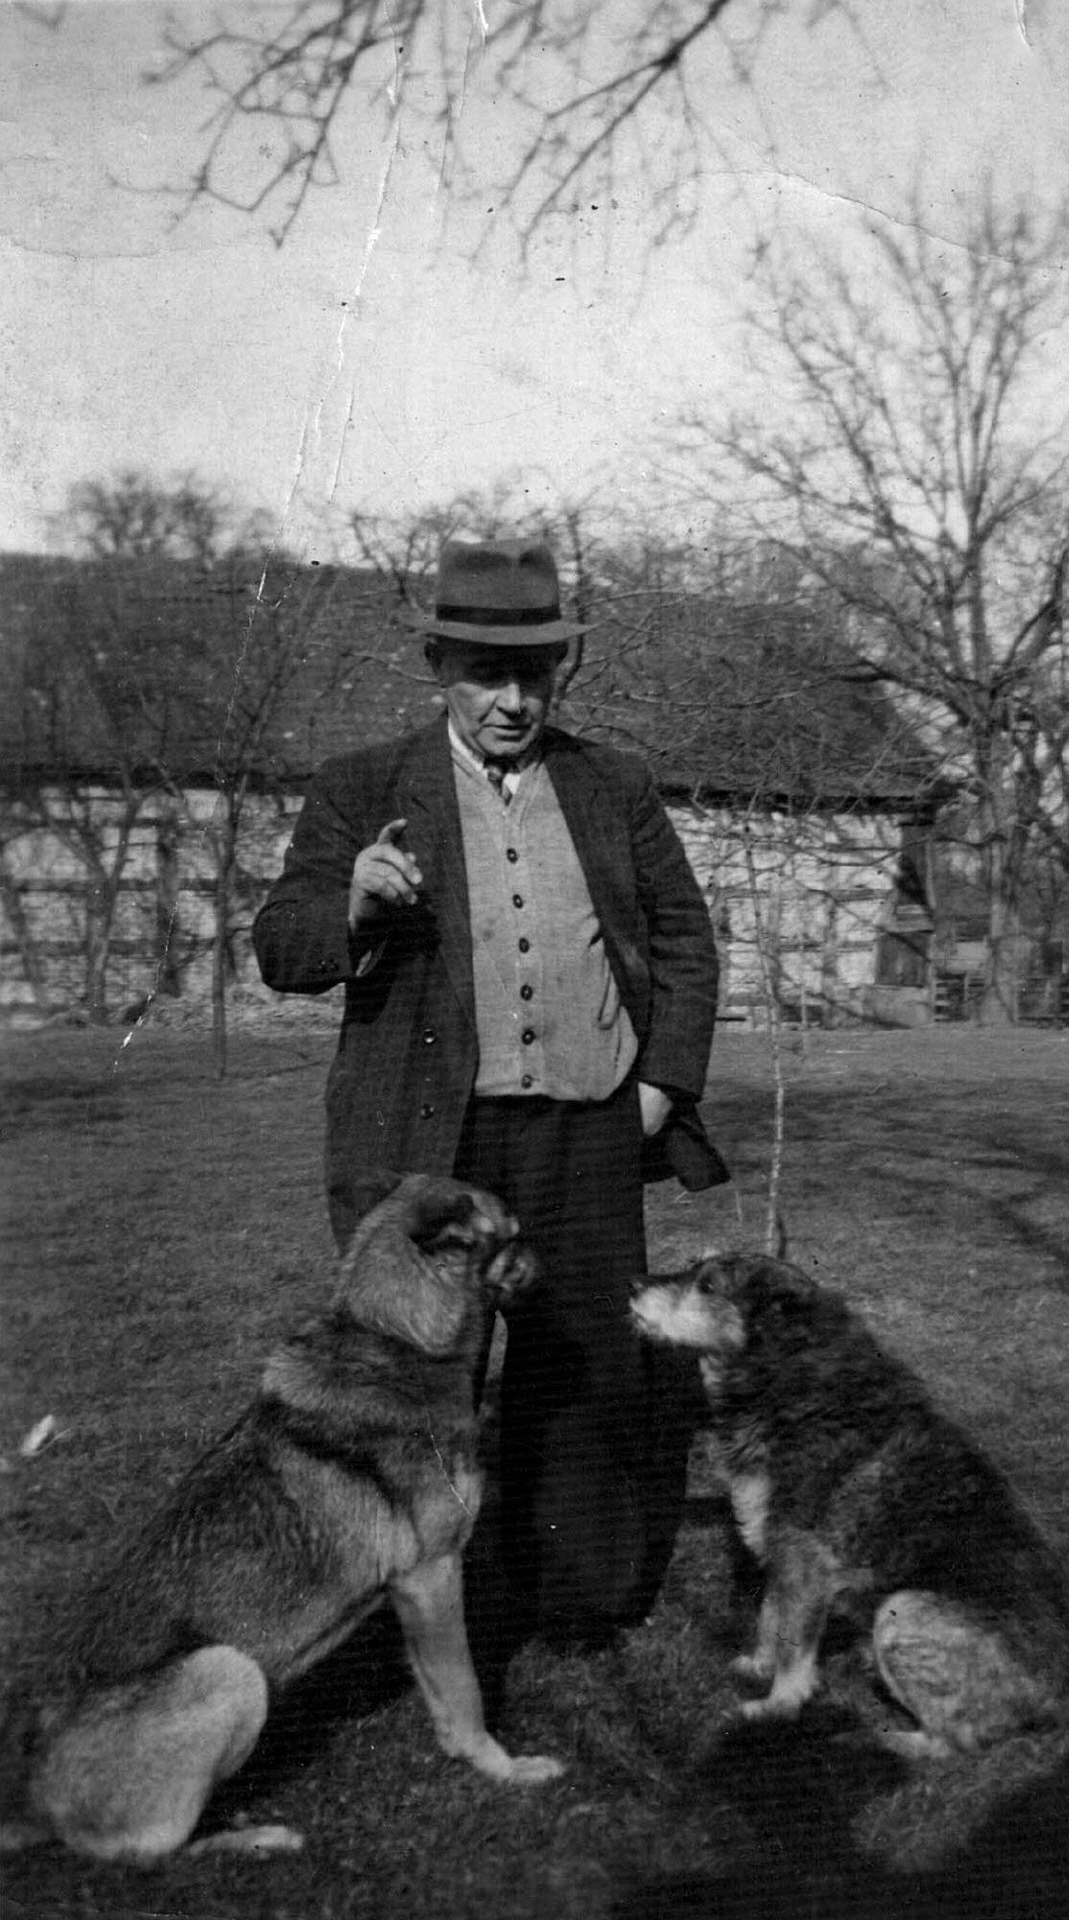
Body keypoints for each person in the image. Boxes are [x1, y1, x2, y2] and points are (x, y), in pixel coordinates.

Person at [253, 535, 727, 1646]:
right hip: (434, 1147)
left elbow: (684, 943)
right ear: (438, 666)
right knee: (418, 1380)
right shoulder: (362, 788)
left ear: (559, 672)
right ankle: (405, 1592)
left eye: (533, 675)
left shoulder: (613, 785)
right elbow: (281, 947)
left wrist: (660, 1084)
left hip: (588, 1127)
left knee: (586, 1363)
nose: (513, 701)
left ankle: (577, 1600)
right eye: (486, 675)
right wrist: (353, 906)